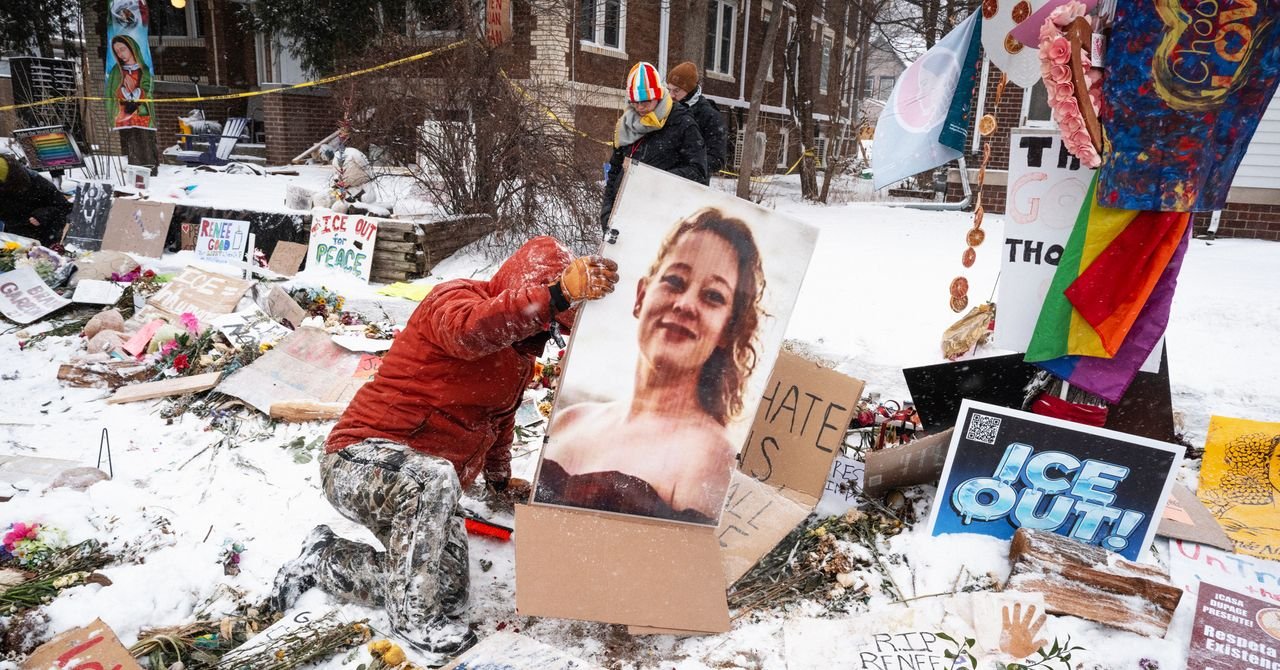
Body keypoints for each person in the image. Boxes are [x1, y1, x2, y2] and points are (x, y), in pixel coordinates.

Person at [270, 237, 619, 653]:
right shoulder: (453, 300)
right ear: (523, 288)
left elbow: (499, 421)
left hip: (422, 488)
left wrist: (499, 480)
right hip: (357, 459)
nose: (546, 331)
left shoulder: (519, 360)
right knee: (431, 480)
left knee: (447, 593)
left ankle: (322, 559)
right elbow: (472, 332)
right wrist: (556, 294)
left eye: (554, 326)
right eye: (548, 319)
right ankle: (413, 621)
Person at [535, 208, 765, 525]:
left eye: (713, 296)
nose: (685, 304)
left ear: (727, 329)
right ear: (641, 296)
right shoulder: (568, 421)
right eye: (675, 280)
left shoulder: (712, 459)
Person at [600, 62, 707, 232]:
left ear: (658, 96)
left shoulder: (682, 123)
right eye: (635, 102)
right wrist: (607, 212)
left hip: (664, 219)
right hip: (627, 215)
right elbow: (614, 171)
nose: (640, 107)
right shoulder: (626, 125)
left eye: (646, 101)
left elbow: (699, 172)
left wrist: (654, 179)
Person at [667, 61, 728, 178]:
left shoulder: (710, 116)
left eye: (676, 90)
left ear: (690, 90)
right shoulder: (667, 109)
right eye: (669, 89)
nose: (671, 95)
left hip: (692, 182)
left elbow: (717, 159)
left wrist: (687, 168)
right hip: (662, 178)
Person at [0, 154, 71, 247]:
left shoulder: (38, 184)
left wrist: (43, 215)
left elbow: (64, 208)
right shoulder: (5, 188)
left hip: (45, 238)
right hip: (14, 239)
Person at [106, 35, 152, 129]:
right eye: (117, 52)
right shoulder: (116, 71)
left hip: (142, 117)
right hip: (122, 119)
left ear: (131, 48)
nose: (120, 54)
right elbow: (111, 91)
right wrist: (124, 92)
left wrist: (135, 91)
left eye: (122, 49)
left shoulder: (144, 70)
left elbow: (148, 90)